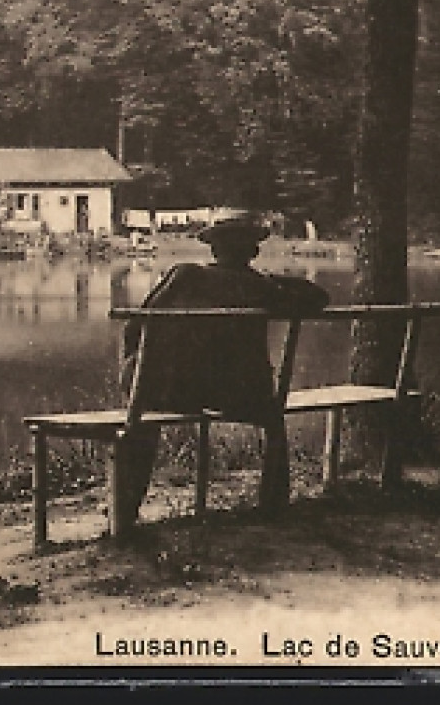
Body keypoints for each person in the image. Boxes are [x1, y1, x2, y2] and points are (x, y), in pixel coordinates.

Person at [115, 209, 329, 527]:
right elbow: (318, 298)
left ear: (213, 249)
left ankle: (126, 513)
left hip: (175, 393)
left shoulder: (186, 275)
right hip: (241, 397)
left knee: (141, 408)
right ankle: (273, 508)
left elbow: (137, 326)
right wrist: (269, 278)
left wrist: (132, 366)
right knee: (274, 424)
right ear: (253, 251)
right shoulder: (260, 288)